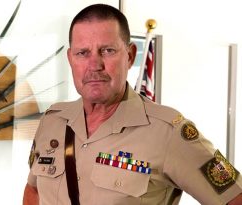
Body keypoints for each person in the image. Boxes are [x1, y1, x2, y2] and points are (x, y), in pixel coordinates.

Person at [23, 4, 242, 205]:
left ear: (129, 56)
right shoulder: (53, 121)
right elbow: (33, 190)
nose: (94, 65)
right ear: (71, 59)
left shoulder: (168, 132)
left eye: (107, 51)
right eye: (83, 53)